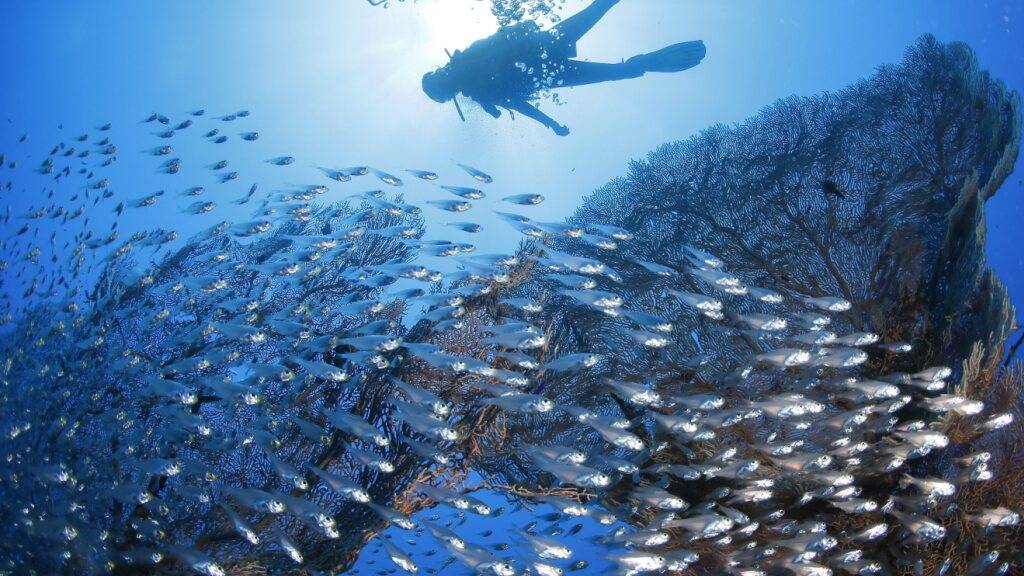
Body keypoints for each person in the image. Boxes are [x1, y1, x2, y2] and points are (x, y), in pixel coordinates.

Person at [421, 0, 706, 136]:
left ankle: (638, 66)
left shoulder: (479, 88)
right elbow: (519, 103)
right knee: (595, 13)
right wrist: (550, 123)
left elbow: (519, 104)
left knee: (611, 63)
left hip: (548, 68)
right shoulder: (475, 76)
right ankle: (639, 65)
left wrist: (550, 123)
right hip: (545, 51)